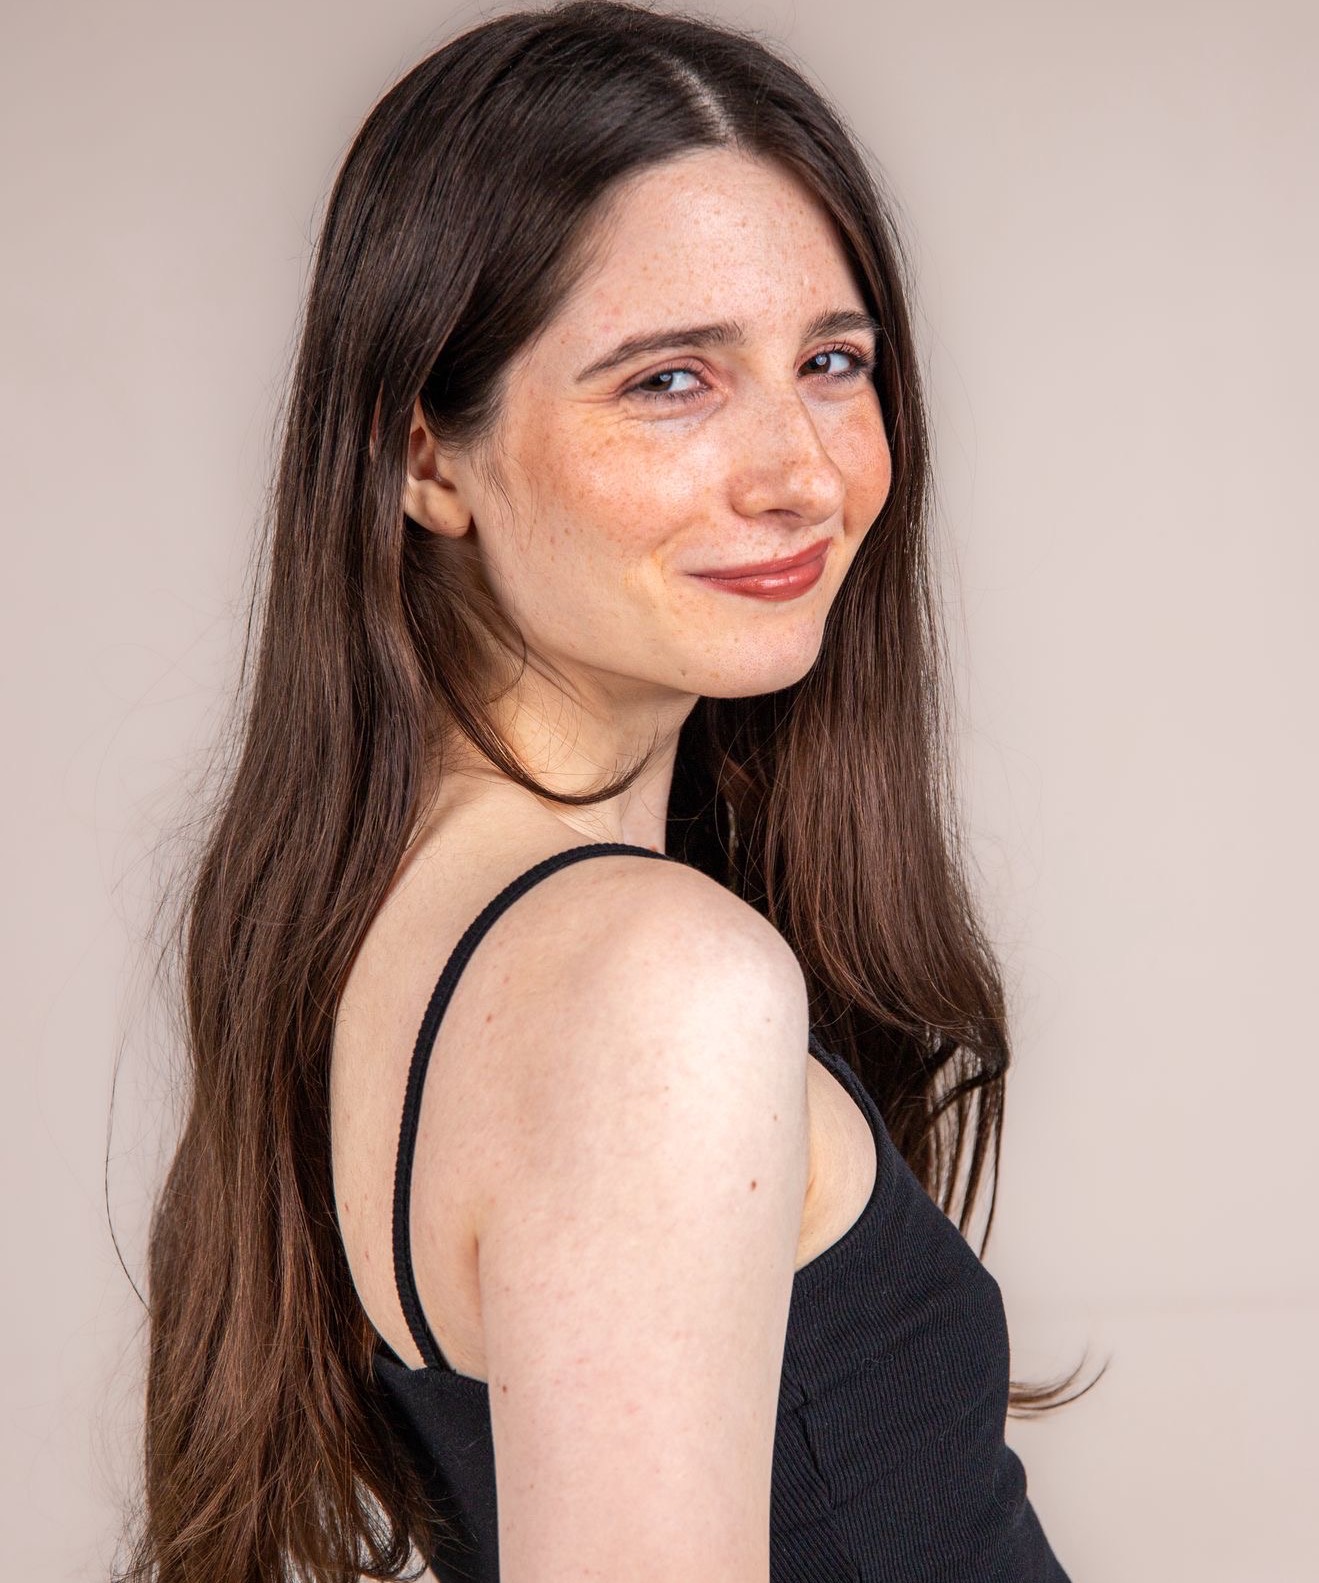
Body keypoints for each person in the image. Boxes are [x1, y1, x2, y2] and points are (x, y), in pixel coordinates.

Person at [117, 3, 1099, 1579]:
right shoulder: (650, 988)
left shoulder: (396, 921)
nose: (800, 470)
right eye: (670, 381)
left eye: (831, 362)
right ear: (424, 458)